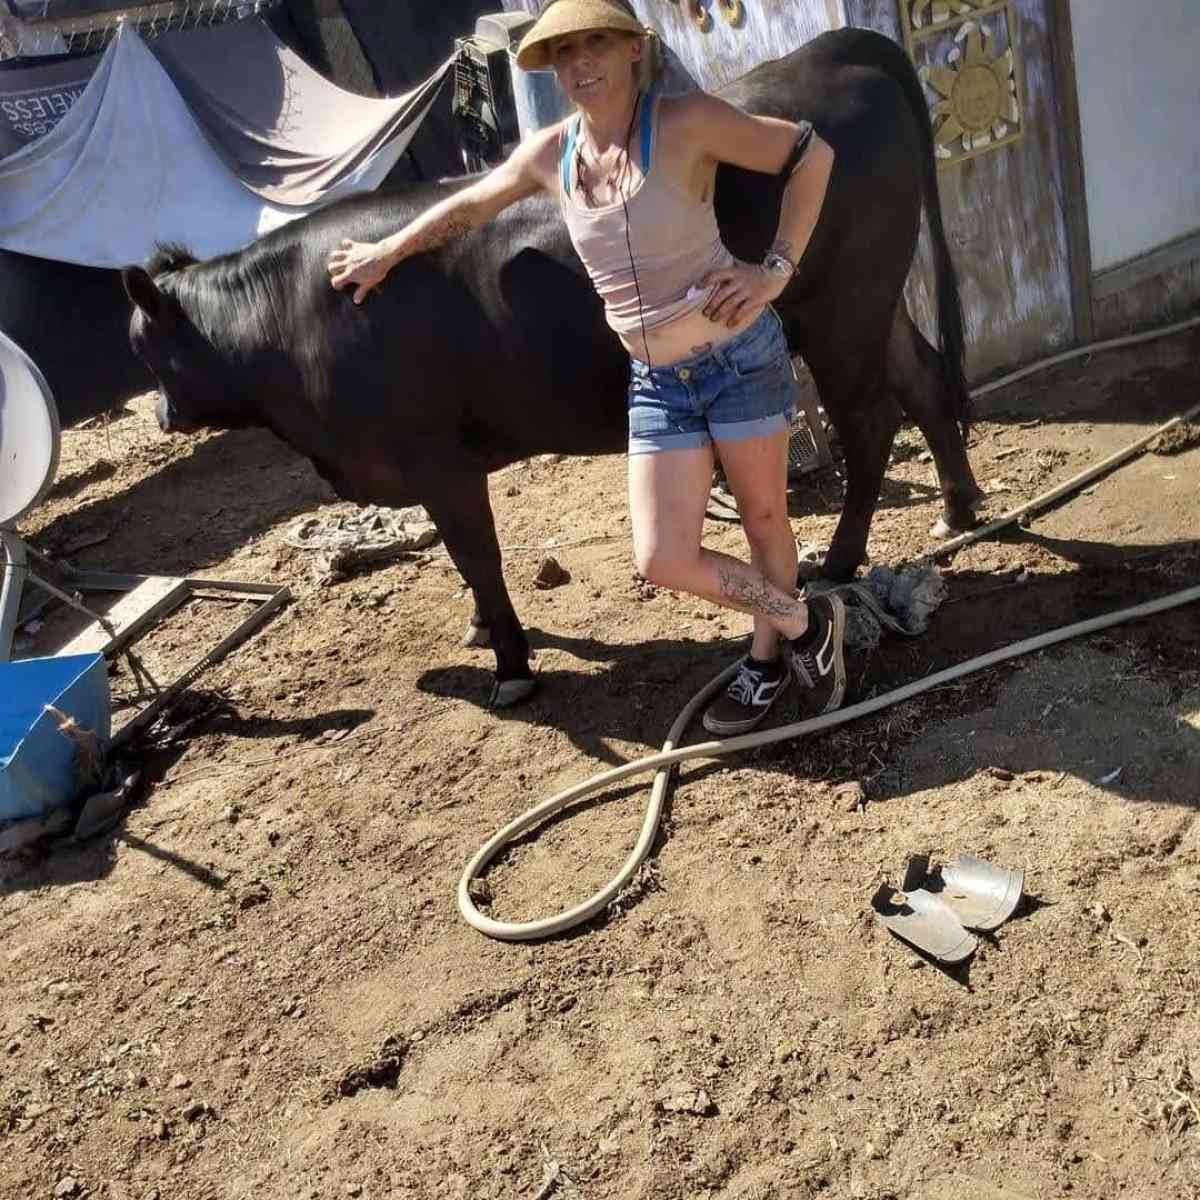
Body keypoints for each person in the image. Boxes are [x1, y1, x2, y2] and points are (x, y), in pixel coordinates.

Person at [327, 0, 847, 734]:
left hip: (735, 356)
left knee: (764, 519)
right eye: (566, 52)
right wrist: (386, 254)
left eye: (598, 43)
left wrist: (774, 271)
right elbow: (469, 207)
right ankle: (803, 622)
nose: (582, 63)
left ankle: (766, 660)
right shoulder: (552, 153)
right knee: (661, 556)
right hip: (658, 381)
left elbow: (810, 155)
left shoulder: (683, 122)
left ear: (634, 50)